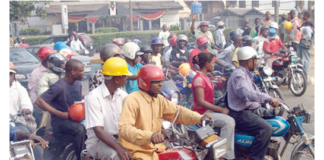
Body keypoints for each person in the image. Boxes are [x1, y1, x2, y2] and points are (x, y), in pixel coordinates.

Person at [118, 64, 213, 160]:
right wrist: (150, 136)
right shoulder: (132, 100)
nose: (160, 84)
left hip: (158, 149)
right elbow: (125, 129)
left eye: (161, 81)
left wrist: (200, 118)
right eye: (156, 82)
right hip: (140, 152)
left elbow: (179, 112)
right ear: (145, 83)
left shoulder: (159, 99)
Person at [227, 46, 281, 160]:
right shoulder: (239, 75)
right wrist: (269, 99)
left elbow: (255, 92)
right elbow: (246, 93)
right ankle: (254, 158)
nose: (256, 63)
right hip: (240, 114)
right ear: (250, 61)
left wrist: (272, 98)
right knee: (266, 128)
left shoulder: (245, 74)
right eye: (255, 60)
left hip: (249, 112)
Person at [36, 59, 85, 160]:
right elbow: (39, 101)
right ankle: (81, 157)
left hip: (74, 120)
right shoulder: (59, 86)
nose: (83, 74)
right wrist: (59, 113)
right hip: (60, 122)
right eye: (81, 71)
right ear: (73, 72)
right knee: (80, 129)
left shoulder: (78, 84)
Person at [84, 57, 132, 160]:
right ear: (117, 79)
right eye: (125, 76)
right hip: (98, 142)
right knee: (118, 157)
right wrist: (119, 148)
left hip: (120, 139)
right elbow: (98, 131)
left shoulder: (123, 95)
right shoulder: (93, 97)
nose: (126, 79)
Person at [192, 52, 235, 160]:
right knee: (229, 122)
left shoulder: (205, 77)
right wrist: (221, 109)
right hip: (202, 114)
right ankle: (223, 156)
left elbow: (209, 98)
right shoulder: (199, 79)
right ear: (207, 64)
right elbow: (201, 101)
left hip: (208, 110)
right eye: (212, 63)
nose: (214, 65)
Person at [28, 47, 56, 125]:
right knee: (42, 130)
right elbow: (32, 91)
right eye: (50, 57)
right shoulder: (36, 73)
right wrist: (38, 106)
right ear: (45, 59)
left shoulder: (56, 69)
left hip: (56, 107)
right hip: (43, 109)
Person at [10, 62, 37, 133]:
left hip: (16, 120)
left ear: (14, 75)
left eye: (10, 74)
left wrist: (26, 108)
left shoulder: (19, 87)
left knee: (31, 129)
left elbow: (25, 100)